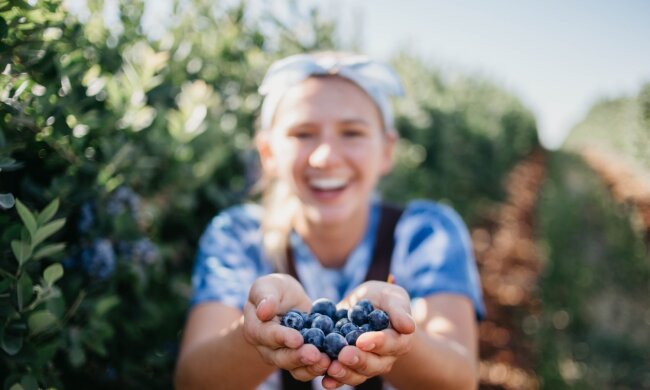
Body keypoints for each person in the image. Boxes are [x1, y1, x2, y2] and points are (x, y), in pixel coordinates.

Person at [174, 52, 485, 390]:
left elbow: (460, 380)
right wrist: (256, 336)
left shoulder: (427, 233)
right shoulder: (238, 236)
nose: (326, 157)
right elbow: (193, 381)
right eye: (302, 133)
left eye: (352, 133)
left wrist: (396, 339)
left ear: (386, 150)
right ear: (268, 154)